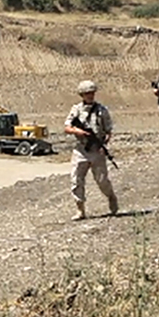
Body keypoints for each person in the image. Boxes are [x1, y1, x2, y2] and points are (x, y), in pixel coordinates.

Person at [64, 80, 118, 221]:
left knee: (102, 181)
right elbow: (67, 127)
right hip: (81, 150)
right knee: (76, 180)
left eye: (92, 93)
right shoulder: (76, 110)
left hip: (96, 150)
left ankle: (111, 197)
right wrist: (78, 131)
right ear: (82, 94)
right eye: (87, 93)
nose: (90, 96)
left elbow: (108, 130)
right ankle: (80, 210)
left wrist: (103, 144)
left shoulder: (101, 110)